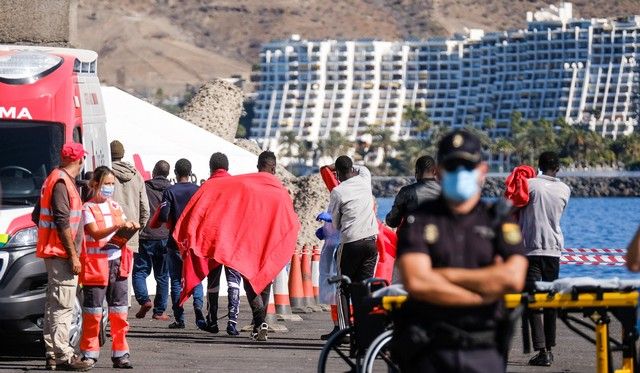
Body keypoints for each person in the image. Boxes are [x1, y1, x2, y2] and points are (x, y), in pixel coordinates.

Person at [393, 130, 528, 373]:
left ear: (482, 171)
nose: (459, 173)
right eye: (452, 166)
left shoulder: (497, 220)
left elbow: (513, 278)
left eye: (467, 166)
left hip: (483, 351)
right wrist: (480, 295)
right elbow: (417, 281)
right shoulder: (420, 220)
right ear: (438, 172)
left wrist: (441, 275)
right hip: (430, 352)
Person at [33, 143, 94, 372]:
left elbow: (37, 215)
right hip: (61, 254)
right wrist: (73, 255)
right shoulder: (62, 182)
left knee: (53, 303)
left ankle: (52, 353)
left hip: (54, 252)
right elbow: (62, 222)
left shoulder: (54, 179)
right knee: (63, 306)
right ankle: (63, 355)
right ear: (79, 160)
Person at [79, 166, 139, 369]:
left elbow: (120, 232)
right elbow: (95, 234)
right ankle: (89, 354)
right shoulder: (87, 208)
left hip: (118, 263)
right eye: (107, 184)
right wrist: (117, 226)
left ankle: (121, 354)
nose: (110, 188)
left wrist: (129, 228)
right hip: (96, 266)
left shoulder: (115, 207)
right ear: (95, 184)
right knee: (93, 313)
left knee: (119, 312)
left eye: (112, 184)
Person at [518, 151, 571, 367]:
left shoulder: (529, 185)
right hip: (553, 250)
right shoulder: (565, 189)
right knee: (550, 300)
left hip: (531, 249)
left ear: (538, 166)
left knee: (531, 300)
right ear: (557, 168)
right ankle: (549, 347)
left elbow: (515, 204)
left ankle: (541, 350)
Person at [327, 156, 379, 329]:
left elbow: (335, 223)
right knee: (364, 286)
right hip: (371, 242)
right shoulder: (365, 179)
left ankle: (345, 330)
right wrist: (340, 165)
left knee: (343, 286)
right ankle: (364, 327)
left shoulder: (338, 191)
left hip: (351, 242)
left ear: (339, 173)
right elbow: (362, 168)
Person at [158, 158, 205, 329]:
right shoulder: (199, 190)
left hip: (175, 242)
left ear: (175, 174)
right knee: (196, 276)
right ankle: (198, 307)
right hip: (194, 243)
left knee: (176, 279)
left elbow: (163, 216)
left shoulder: (170, 191)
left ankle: (180, 318)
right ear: (190, 173)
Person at [203, 153, 242, 336]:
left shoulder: (206, 186)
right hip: (233, 240)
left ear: (211, 168)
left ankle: (212, 321)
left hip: (213, 240)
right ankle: (232, 323)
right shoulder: (238, 186)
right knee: (234, 282)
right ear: (227, 167)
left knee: (213, 282)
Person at [110, 140, 150, 306]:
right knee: (126, 270)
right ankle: (123, 307)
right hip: (130, 230)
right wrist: (137, 229)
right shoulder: (137, 175)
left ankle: (108, 308)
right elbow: (145, 208)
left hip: (109, 230)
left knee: (108, 269)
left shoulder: (105, 174)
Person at [133, 161, 171, 320]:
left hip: (145, 235)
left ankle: (144, 300)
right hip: (164, 236)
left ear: (154, 172)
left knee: (140, 271)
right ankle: (159, 312)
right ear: (169, 173)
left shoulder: (145, 187)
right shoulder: (171, 190)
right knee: (162, 275)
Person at [385, 155, 441, 228]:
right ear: (435, 171)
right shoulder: (445, 191)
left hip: (414, 237)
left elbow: (392, 222)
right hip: (441, 237)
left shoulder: (406, 192)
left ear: (416, 172)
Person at [315, 211, 341, 340]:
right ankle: (337, 326)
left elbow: (350, 222)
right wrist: (326, 231)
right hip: (330, 251)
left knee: (341, 293)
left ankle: (345, 326)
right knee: (333, 295)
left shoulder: (349, 200)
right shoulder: (336, 200)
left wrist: (332, 219)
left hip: (340, 250)